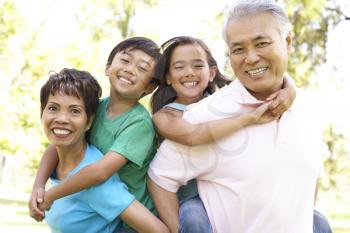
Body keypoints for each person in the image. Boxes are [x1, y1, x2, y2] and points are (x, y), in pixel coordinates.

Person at [148, 1, 330, 233]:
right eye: (238, 49)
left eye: (261, 43)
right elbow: (159, 178)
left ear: (287, 42)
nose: (251, 58)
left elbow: (306, 180)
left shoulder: (308, 108)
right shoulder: (206, 115)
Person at [149, 36, 296, 233]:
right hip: (192, 198)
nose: (189, 72)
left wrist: (290, 89)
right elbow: (193, 135)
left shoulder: (227, 101)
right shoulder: (166, 115)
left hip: (234, 191)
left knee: (312, 219)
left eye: (197, 65)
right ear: (167, 76)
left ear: (211, 73)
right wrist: (250, 118)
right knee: (194, 219)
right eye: (179, 67)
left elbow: (265, 82)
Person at [29, 37, 168, 232]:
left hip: (134, 220)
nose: (130, 69)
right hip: (106, 213)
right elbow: (57, 145)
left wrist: (51, 195)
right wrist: (38, 186)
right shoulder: (96, 108)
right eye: (125, 60)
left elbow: (100, 172)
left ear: (149, 88)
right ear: (108, 67)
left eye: (142, 68)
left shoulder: (139, 124)